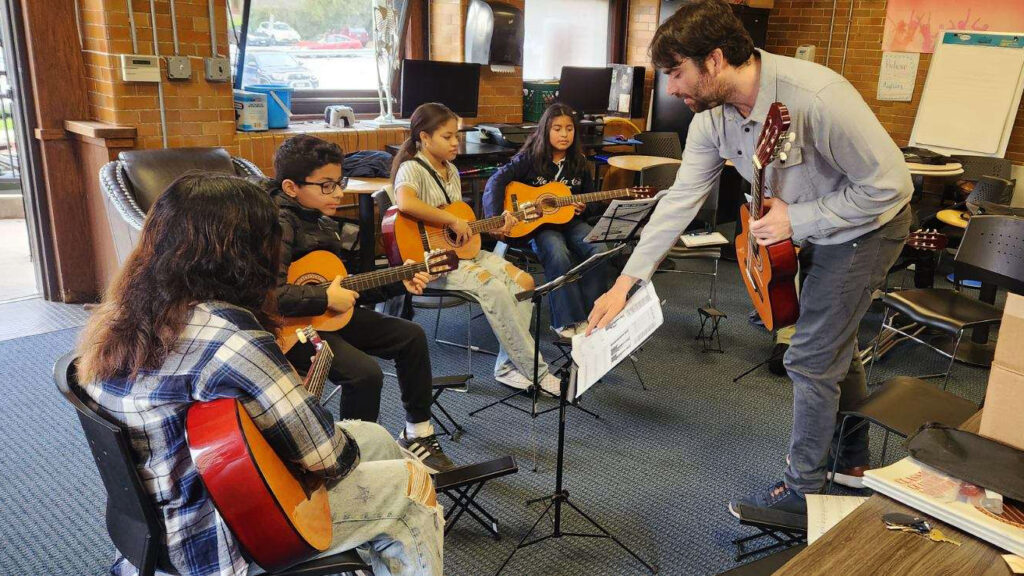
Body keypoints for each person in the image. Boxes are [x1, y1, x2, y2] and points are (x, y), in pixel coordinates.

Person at [586, 0, 913, 515]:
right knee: (833, 341)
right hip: (808, 230)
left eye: (676, 73)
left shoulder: (818, 97)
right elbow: (680, 201)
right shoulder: (712, 118)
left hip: (868, 226)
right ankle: (852, 462)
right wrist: (626, 282)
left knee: (807, 356)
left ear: (714, 61)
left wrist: (796, 221)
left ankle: (802, 492)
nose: (670, 88)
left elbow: (891, 187)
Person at [76, 174, 443, 576]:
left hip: (158, 528)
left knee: (374, 436)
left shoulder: (119, 316)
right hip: (217, 542)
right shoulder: (229, 336)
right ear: (247, 254)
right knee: (410, 484)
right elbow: (328, 457)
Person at [271, 134, 453, 474]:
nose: (338, 193)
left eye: (339, 182)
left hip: (327, 317)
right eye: (326, 186)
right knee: (364, 374)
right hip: (290, 330)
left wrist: (399, 281)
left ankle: (417, 433)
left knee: (410, 335)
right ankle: (354, 461)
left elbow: (351, 286)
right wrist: (325, 296)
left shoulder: (323, 223)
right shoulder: (276, 225)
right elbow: (271, 295)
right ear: (291, 187)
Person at [389, 102, 562, 395]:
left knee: (525, 282)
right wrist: (452, 220)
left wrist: (492, 226)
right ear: (425, 138)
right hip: (434, 261)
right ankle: (537, 371)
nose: (456, 142)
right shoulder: (411, 168)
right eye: (447, 136)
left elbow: (465, 227)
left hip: (462, 254)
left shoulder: (452, 171)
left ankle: (508, 366)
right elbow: (405, 203)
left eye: (456, 135)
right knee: (493, 288)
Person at [483, 103, 610, 338]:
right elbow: (496, 181)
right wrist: (496, 218)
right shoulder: (530, 159)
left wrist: (584, 207)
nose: (564, 134)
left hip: (570, 223)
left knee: (599, 249)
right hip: (538, 227)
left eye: (569, 129)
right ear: (545, 131)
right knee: (556, 249)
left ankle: (595, 314)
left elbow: (592, 202)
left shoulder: (579, 163)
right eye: (557, 129)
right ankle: (567, 319)